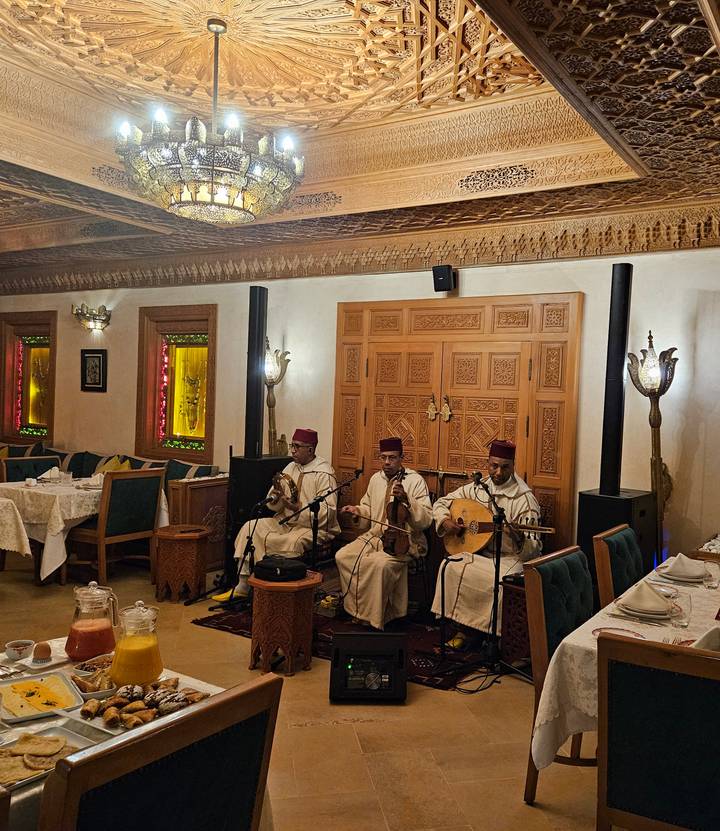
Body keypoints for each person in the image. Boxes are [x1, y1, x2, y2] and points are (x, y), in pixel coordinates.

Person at [431, 439, 541, 646]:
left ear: (513, 466)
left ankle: (492, 636)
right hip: (480, 554)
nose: (498, 472)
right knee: (450, 566)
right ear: (487, 464)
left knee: (502, 581)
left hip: (510, 559)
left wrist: (520, 539)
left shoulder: (524, 500)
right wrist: (445, 521)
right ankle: (463, 629)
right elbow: (441, 503)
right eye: (494, 466)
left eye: (505, 467)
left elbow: (534, 551)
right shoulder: (478, 488)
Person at [214, 428, 340, 600]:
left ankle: (278, 594)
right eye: (292, 445)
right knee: (250, 527)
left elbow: (328, 512)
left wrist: (297, 508)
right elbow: (273, 500)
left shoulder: (324, 473)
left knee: (290, 542)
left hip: (310, 527)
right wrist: (276, 498)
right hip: (284, 522)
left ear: (310, 449)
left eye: (297, 446)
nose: (292, 450)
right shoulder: (290, 467)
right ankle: (243, 585)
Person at [335, 437, 432, 629]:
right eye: (383, 457)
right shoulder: (375, 479)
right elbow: (367, 509)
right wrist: (357, 511)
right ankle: (358, 611)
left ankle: (379, 618)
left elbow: (426, 520)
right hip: (375, 536)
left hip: (406, 542)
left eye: (392, 458)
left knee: (379, 565)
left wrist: (407, 499)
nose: (387, 462)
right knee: (342, 556)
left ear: (401, 457)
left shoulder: (415, 481)